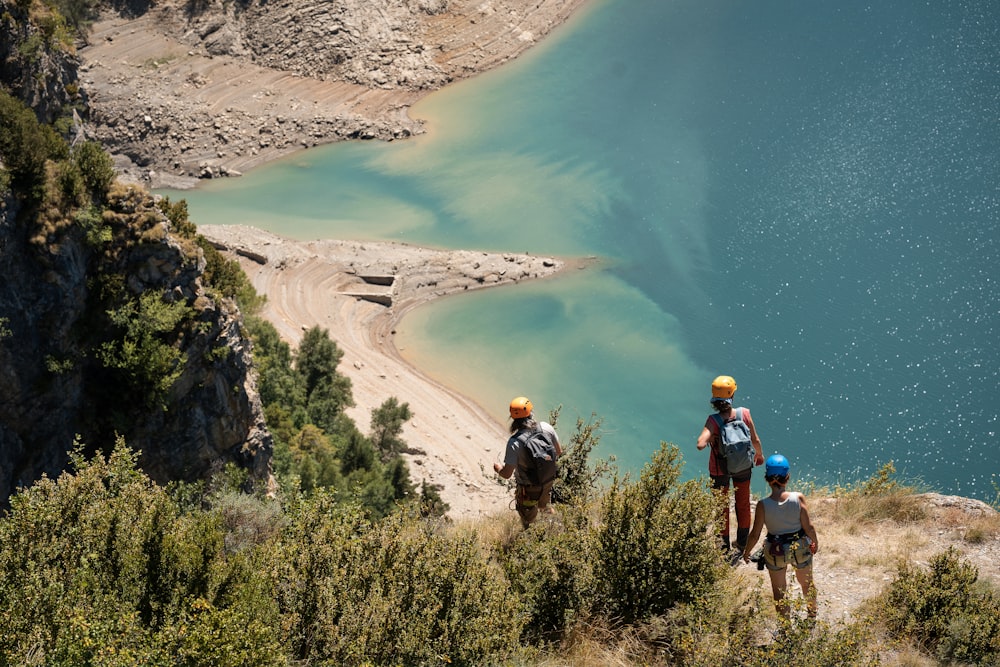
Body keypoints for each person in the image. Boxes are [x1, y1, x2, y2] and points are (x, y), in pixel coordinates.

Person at [742, 454, 819, 619]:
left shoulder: (763, 505)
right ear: (788, 477)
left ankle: (785, 629)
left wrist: (747, 551)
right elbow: (809, 527)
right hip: (799, 546)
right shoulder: (798, 498)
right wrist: (815, 542)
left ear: (766, 479)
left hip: (775, 551)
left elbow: (755, 534)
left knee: (779, 591)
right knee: (806, 584)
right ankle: (812, 614)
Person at [696, 375, 764, 554]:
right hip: (743, 466)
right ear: (732, 396)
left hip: (720, 470)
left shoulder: (713, 421)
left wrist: (711, 436)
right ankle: (742, 544)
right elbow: (755, 439)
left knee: (721, 507)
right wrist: (759, 455)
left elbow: (700, 444)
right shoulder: (745, 414)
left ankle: (724, 547)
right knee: (742, 503)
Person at [493, 396, 563, 528]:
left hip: (528, 490)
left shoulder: (515, 442)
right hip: (547, 481)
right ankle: (557, 530)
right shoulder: (546, 427)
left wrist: (498, 469)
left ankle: (531, 540)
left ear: (513, 418)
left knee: (528, 521)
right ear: (531, 413)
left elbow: (507, 474)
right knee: (546, 507)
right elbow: (558, 452)